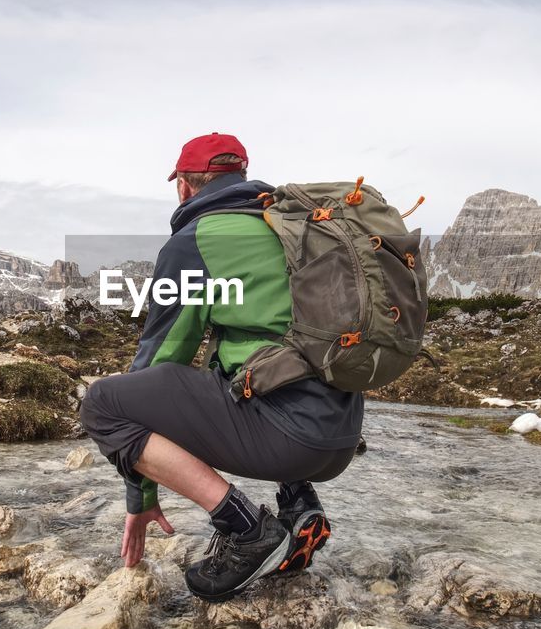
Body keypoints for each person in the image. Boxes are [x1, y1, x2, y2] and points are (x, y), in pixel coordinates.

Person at [79, 132, 364, 603]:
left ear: (184, 186)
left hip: (289, 440)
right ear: (241, 177)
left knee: (103, 405)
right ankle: (298, 507)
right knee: (240, 359)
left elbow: (158, 359)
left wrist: (140, 498)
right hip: (340, 438)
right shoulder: (294, 227)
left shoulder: (195, 242)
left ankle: (246, 528)